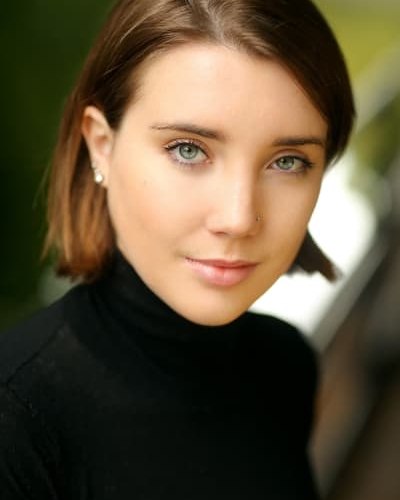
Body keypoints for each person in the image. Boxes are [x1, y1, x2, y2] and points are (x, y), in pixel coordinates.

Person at [0, 0, 354, 498]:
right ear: (101, 145)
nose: (238, 218)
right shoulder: (18, 418)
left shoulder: (285, 365)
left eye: (288, 161)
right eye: (188, 150)